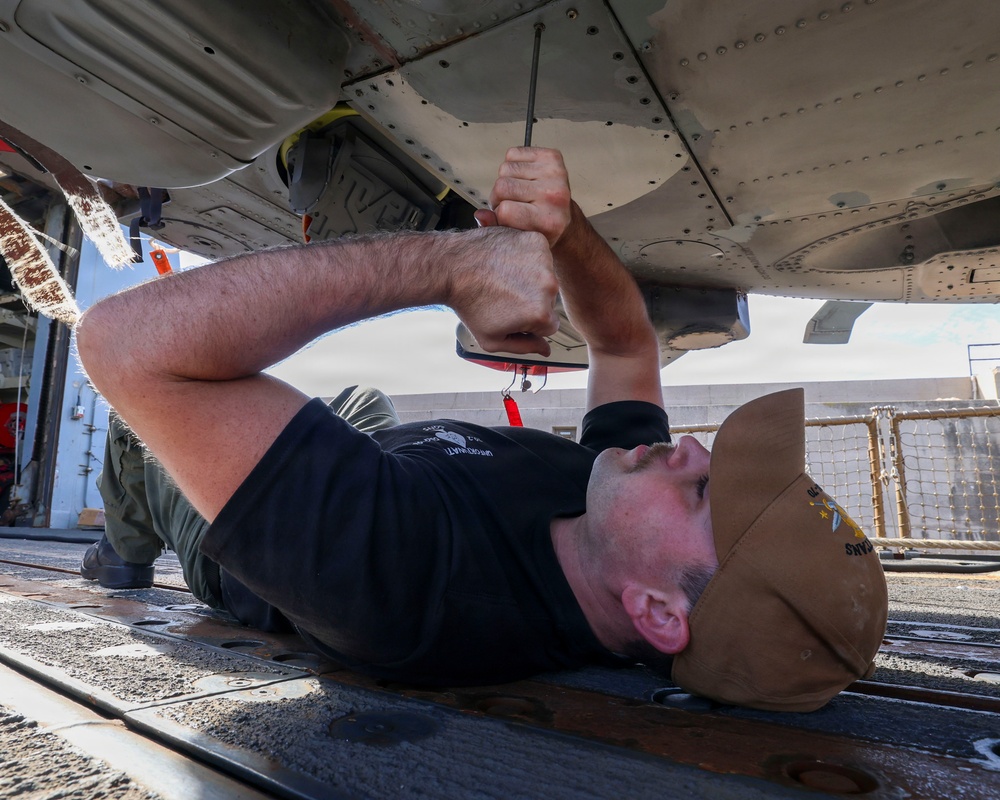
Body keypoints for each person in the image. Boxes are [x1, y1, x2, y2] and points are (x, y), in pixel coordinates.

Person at [76, 147, 887, 712]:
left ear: (660, 614)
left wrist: (449, 266)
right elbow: (626, 342)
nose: (692, 449)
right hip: (383, 459)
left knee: (133, 438)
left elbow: (125, 345)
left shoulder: (405, 589)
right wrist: (565, 232)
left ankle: (125, 549)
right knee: (355, 393)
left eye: (706, 491)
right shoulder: (610, 508)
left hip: (251, 539)